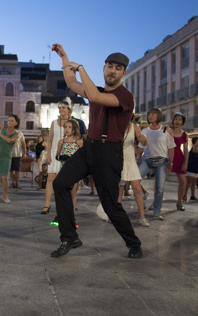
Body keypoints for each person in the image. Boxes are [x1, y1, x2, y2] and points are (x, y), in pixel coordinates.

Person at [50, 44, 142, 259]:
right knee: (60, 183)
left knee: (111, 205)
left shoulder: (125, 96)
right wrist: (65, 58)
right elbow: (72, 83)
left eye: (118, 68)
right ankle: (69, 237)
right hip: (89, 147)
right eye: (109, 66)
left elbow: (95, 98)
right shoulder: (97, 90)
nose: (112, 70)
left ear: (123, 73)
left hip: (109, 153)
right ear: (104, 68)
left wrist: (81, 68)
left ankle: (134, 243)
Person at [137, 108, 175, 220]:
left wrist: (171, 162)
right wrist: (136, 158)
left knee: (159, 188)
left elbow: (171, 147)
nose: (150, 116)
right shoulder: (145, 131)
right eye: (149, 114)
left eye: (153, 114)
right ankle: (142, 206)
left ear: (158, 115)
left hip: (162, 161)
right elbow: (141, 148)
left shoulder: (166, 130)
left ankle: (157, 211)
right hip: (147, 160)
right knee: (135, 181)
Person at [117, 114, 149, 226]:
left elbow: (143, 142)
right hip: (118, 160)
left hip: (130, 161)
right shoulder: (116, 125)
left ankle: (142, 217)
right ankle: (116, 216)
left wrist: (143, 140)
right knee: (119, 190)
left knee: (137, 189)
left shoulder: (134, 127)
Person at [42, 99, 72, 215]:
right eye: (59, 108)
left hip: (67, 153)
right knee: (50, 178)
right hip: (54, 153)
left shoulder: (73, 122)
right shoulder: (54, 122)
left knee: (65, 180)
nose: (61, 109)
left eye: (63, 107)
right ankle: (47, 205)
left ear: (68, 109)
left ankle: (64, 205)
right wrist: (48, 154)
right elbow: (49, 140)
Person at [55, 119, 83, 212]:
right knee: (63, 193)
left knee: (73, 193)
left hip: (74, 171)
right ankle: (63, 214)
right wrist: (62, 157)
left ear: (74, 129)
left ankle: (72, 215)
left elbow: (83, 156)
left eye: (69, 127)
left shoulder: (79, 142)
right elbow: (57, 156)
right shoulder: (61, 142)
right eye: (65, 127)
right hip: (64, 169)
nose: (67, 129)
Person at [169, 112, 189, 211]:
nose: (177, 121)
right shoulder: (167, 130)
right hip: (167, 156)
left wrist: (186, 163)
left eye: (180, 119)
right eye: (176, 119)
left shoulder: (184, 134)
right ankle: (155, 202)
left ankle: (180, 202)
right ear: (173, 120)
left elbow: (186, 150)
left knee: (182, 180)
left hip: (179, 158)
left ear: (182, 122)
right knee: (159, 180)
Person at [184, 137, 198, 202]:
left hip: (195, 168)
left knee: (193, 182)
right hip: (191, 168)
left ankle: (192, 195)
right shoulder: (195, 149)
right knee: (188, 182)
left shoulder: (197, 149)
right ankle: (184, 195)